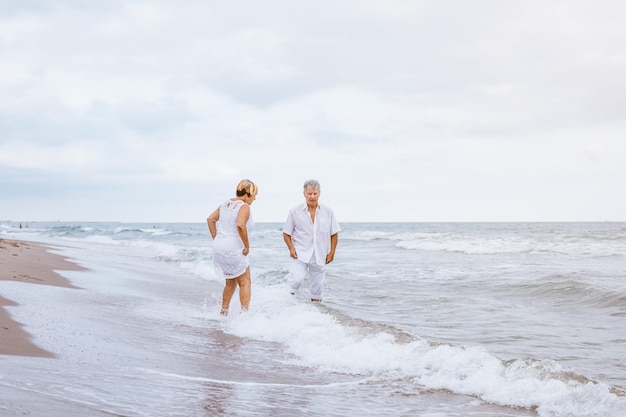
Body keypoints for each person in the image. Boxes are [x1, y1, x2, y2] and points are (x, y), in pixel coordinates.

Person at [283, 179, 341, 302]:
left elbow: (334, 233)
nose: (312, 197)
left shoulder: (328, 211)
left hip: (320, 255)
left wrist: (332, 252)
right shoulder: (294, 211)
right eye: (309, 194)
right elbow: (286, 233)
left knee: (318, 289)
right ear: (304, 194)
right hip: (300, 253)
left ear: (319, 193)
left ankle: (315, 314)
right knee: (295, 280)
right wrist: (291, 248)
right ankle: (285, 306)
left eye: (315, 193)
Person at [207, 179, 258, 315]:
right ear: (247, 193)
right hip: (234, 248)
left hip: (220, 247)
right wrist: (247, 245)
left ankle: (223, 313)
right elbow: (240, 224)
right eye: (254, 195)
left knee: (230, 283)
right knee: (245, 282)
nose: (255, 198)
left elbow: (210, 219)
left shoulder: (225, 204)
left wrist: (218, 238)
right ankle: (244, 316)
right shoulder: (244, 206)